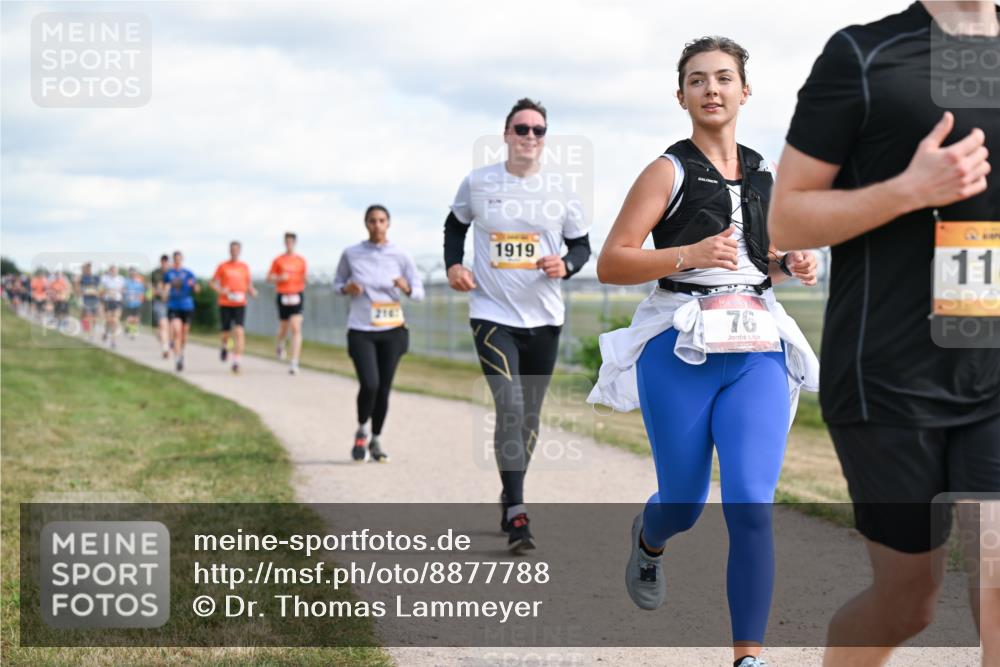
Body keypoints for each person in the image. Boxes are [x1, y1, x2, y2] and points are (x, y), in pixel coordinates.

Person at [767, 2, 999, 665]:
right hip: (889, 375)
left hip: (991, 367)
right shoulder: (864, 55)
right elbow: (786, 218)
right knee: (907, 602)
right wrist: (909, 190)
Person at [587, 37, 820, 667]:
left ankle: (748, 657)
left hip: (756, 349)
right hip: (678, 347)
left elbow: (762, 261)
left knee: (751, 504)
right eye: (697, 80)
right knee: (685, 503)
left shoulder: (766, 174)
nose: (711, 89)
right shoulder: (666, 171)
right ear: (681, 95)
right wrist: (687, 254)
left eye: (722, 78)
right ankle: (649, 539)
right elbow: (612, 263)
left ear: (745, 90)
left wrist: (792, 264)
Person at [445, 97, 592, 553]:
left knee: (528, 418)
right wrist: (454, 265)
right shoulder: (478, 182)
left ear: (545, 138)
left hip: (544, 319)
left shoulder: (561, 189)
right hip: (492, 315)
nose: (530, 136)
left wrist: (566, 265)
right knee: (509, 407)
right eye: (521, 128)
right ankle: (518, 513)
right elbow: (455, 225)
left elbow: (582, 246)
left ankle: (509, 493)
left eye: (538, 130)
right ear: (506, 134)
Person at [335, 204, 425, 463]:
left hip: (392, 330)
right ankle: (362, 429)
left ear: (388, 223)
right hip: (361, 329)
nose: (377, 225)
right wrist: (347, 288)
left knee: (384, 389)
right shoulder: (352, 253)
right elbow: (336, 284)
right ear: (366, 224)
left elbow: (419, 293)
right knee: (370, 384)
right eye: (372, 221)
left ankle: (376, 439)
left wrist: (407, 288)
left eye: (382, 220)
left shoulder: (401, 255)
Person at [211, 241, 256, 374]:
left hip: (240, 303)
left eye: (237, 249)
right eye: (232, 249)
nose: (234, 252)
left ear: (240, 251)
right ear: (229, 251)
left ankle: (236, 361)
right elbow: (212, 282)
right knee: (225, 333)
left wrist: (252, 291)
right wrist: (220, 290)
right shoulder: (223, 266)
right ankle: (225, 346)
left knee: (239, 331)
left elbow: (248, 284)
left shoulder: (244, 267)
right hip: (225, 303)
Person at [267, 232, 307, 375]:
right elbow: (269, 277)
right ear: (284, 243)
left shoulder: (301, 260)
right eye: (287, 241)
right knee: (284, 328)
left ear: (295, 243)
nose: (289, 244)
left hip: (296, 295)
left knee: (296, 328)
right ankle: (280, 343)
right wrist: (279, 278)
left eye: (291, 241)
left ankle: (294, 362)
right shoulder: (278, 260)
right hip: (283, 295)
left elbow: (304, 277)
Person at [164, 251, 199, 372]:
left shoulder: (189, 273)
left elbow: (196, 288)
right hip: (173, 305)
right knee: (177, 331)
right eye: (175, 259)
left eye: (179, 259)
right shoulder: (169, 274)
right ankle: (178, 358)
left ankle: (181, 352)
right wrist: (165, 292)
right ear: (173, 260)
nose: (177, 261)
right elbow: (166, 286)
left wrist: (194, 286)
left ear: (182, 259)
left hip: (187, 306)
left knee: (184, 334)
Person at [99, 265, 126, 349]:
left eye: (116, 270)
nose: (114, 272)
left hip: (117, 301)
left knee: (115, 320)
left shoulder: (121, 279)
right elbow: (100, 289)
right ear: (110, 271)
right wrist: (107, 291)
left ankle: (113, 341)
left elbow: (123, 289)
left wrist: (120, 293)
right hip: (108, 301)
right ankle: (106, 332)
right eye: (113, 270)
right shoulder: (105, 279)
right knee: (108, 320)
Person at [149, 255, 171, 358]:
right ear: (161, 262)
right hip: (158, 302)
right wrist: (159, 293)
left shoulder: (172, 272)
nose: (165, 264)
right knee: (163, 324)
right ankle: (165, 348)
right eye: (163, 262)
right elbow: (151, 287)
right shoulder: (155, 273)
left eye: (166, 262)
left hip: (171, 302)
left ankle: (165, 341)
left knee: (167, 327)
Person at [75, 263, 101, 339]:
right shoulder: (82, 277)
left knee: (94, 316)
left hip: (95, 299)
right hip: (85, 299)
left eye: (90, 268)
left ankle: (92, 329)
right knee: (87, 315)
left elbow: (100, 287)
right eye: (87, 269)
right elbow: (77, 287)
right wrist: (80, 293)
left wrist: (98, 292)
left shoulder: (96, 277)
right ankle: (88, 332)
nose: (89, 270)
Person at [122, 268, 145, 339]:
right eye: (132, 274)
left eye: (134, 274)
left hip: (137, 303)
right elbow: (123, 290)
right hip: (129, 303)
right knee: (129, 318)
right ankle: (129, 329)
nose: (133, 275)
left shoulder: (139, 282)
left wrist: (138, 297)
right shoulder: (126, 281)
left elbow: (142, 292)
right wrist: (127, 295)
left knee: (136, 318)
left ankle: (134, 331)